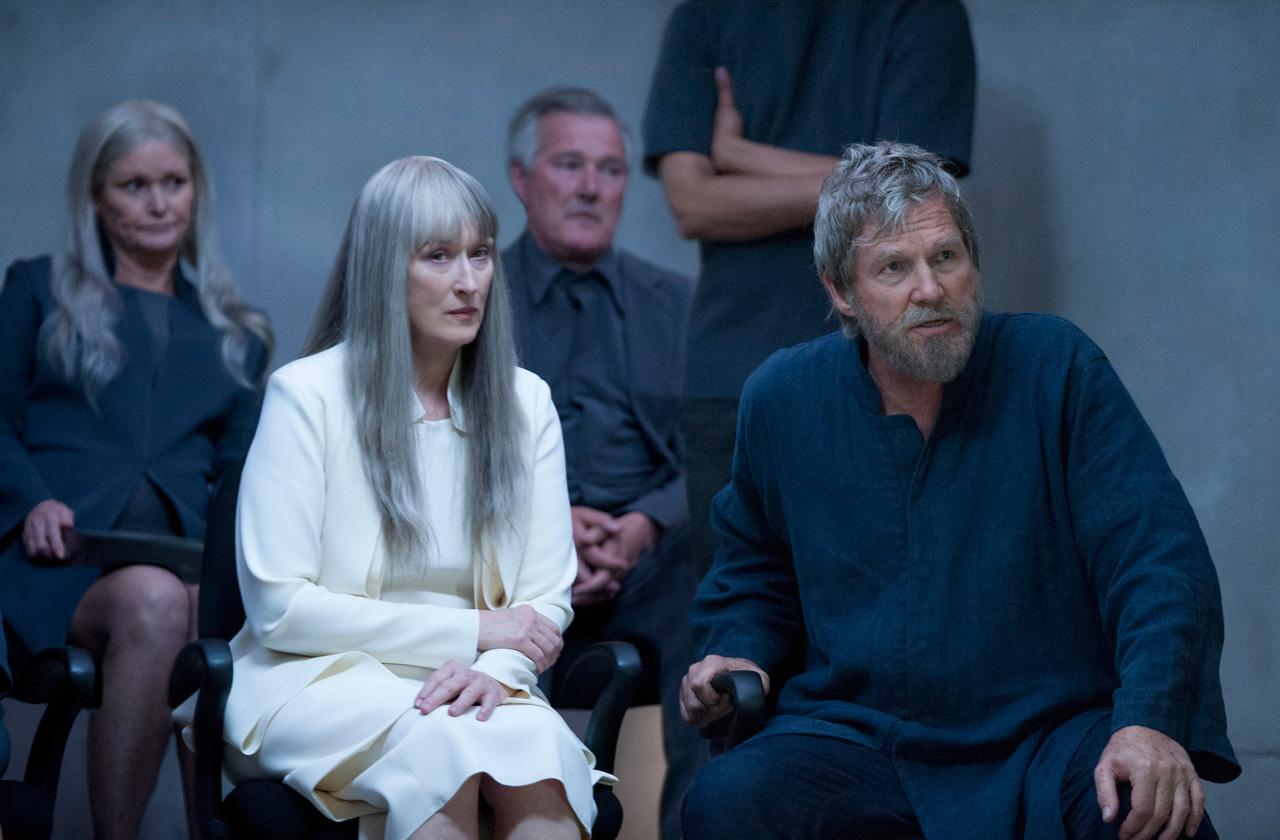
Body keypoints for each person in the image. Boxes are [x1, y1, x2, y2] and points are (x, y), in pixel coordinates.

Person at [679, 142, 1239, 840]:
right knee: (730, 800)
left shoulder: (1055, 367)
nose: (930, 289)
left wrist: (1148, 721)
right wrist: (738, 651)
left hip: (1048, 732)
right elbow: (753, 573)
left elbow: (1157, 562)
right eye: (894, 267)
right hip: (856, 737)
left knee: (1141, 809)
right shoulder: (784, 397)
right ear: (840, 291)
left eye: (946, 257)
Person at [208, 156, 605, 839]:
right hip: (316, 680)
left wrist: (498, 669)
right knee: (443, 750)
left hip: (478, 679)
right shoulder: (307, 395)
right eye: (438, 256)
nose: (468, 281)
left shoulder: (526, 402)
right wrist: (477, 632)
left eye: (481, 254)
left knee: (541, 755)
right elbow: (281, 610)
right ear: (383, 270)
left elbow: (543, 598)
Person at [0, 99, 272, 840]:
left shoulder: (238, 334)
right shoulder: (36, 289)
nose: (159, 204)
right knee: (159, 601)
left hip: (184, 564)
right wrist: (29, 501)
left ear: (196, 190)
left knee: (214, 612)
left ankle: (207, 832)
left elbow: (241, 477)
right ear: (96, 197)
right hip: (53, 562)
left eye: (174, 183)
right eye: (134, 185)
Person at [642, 0, 976, 575]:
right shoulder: (705, 14)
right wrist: (866, 185)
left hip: (883, 369)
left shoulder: (922, 12)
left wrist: (739, 155)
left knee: (886, 608)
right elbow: (692, 202)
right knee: (740, 614)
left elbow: (915, 196)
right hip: (737, 379)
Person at [503, 87, 703, 840]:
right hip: (512, 557)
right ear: (521, 180)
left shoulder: (677, 303)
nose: (591, 187)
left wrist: (646, 522)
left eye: (611, 170)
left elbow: (714, 454)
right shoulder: (472, 297)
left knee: (715, 564)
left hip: (645, 562)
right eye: (569, 165)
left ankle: (695, 827)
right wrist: (547, 529)